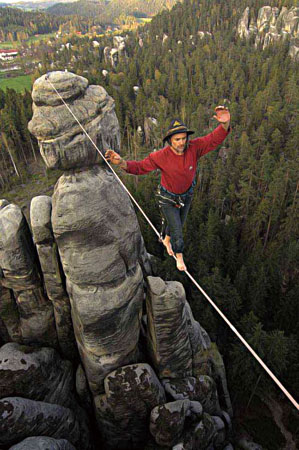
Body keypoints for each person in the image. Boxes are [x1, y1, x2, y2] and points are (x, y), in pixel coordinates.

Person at [105, 106, 230, 271]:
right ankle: (179, 255)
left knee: (178, 223)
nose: (181, 142)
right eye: (177, 139)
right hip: (168, 198)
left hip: (187, 195)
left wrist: (225, 124)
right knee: (177, 228)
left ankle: (166, 238)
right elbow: (140, 167)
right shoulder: (160, 156)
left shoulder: (194, 148)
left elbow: (213, 139)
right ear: (170, 140)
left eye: (184, 138)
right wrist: (121, 162)